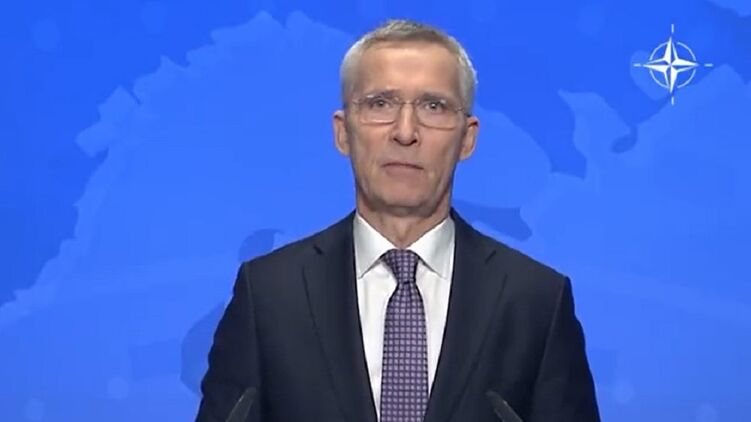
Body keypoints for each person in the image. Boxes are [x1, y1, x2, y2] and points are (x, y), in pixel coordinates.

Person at [196, 19, 600, 422]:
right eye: (380, 104)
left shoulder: (536, 300)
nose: (405, 132)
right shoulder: (269, 293)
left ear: (467, 138)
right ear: (342, 132)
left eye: (433, 106)